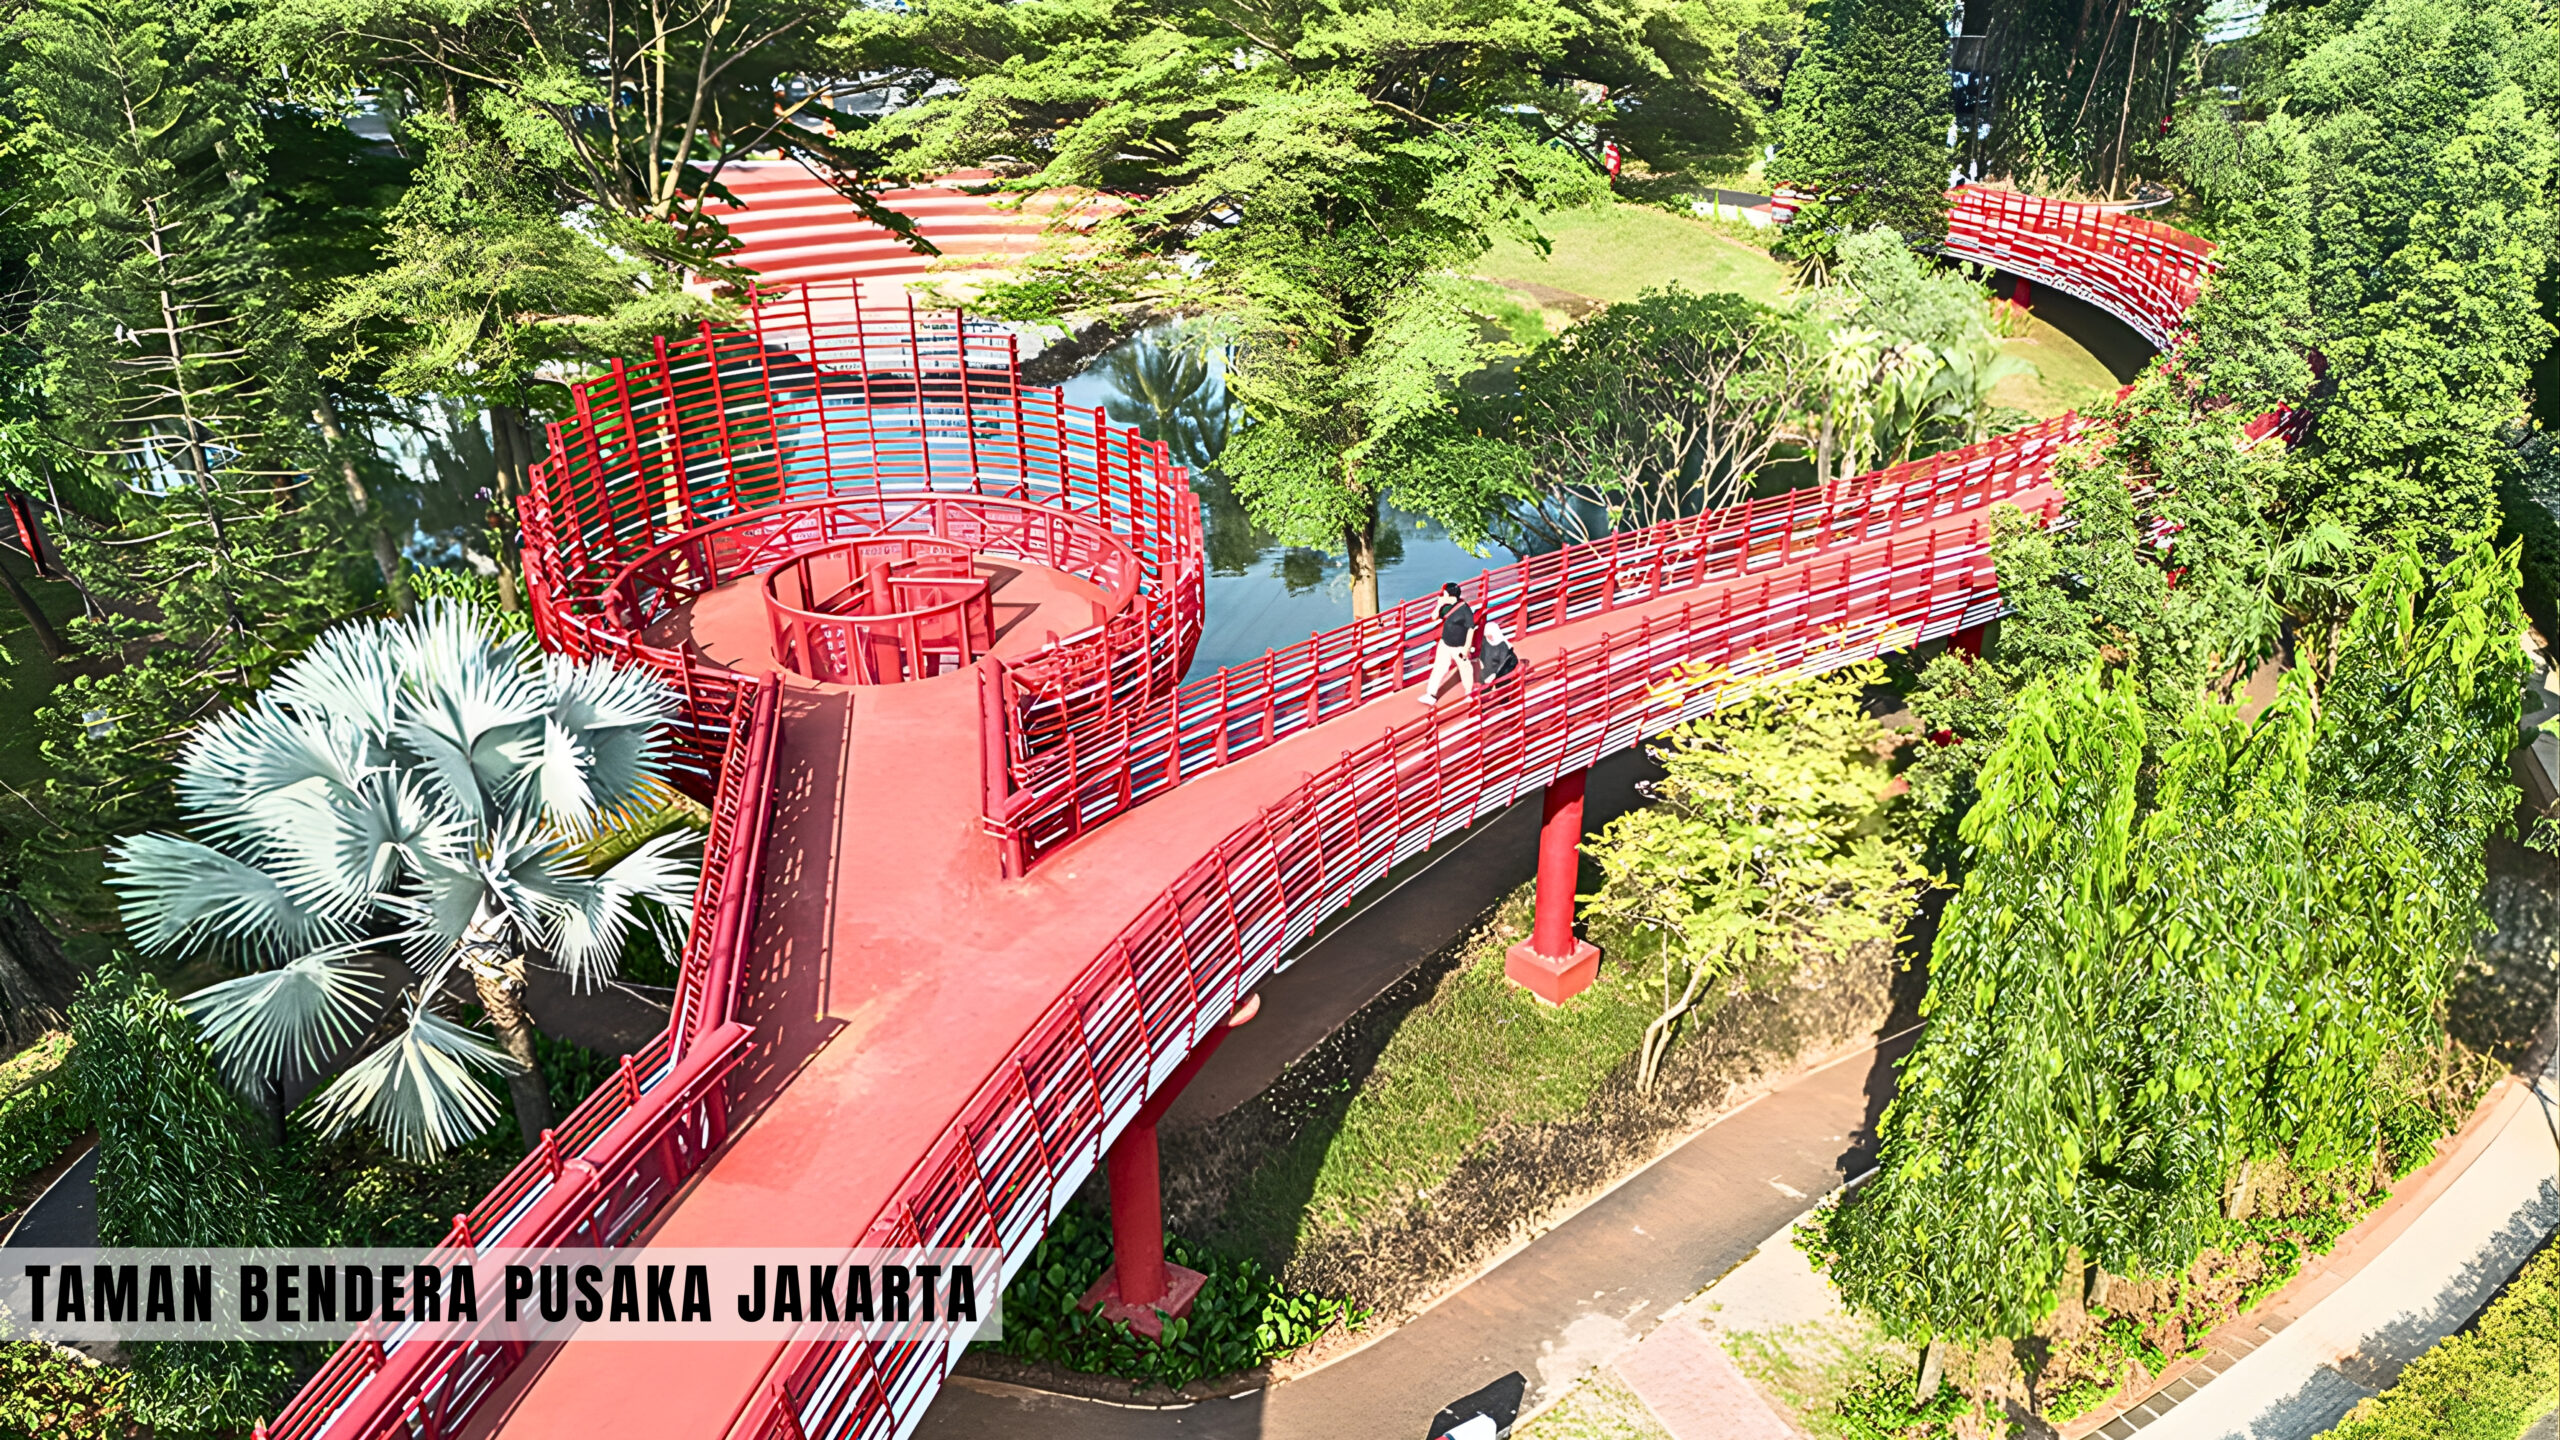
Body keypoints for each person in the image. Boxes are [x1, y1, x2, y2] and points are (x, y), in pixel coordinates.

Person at [1422, 582, 1475, 705]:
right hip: (1445, 643)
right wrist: (1439, 604)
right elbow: (1434, 616)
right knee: (1439, 668)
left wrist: (1467, 647)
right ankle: (1431, 694)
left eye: (1444, 593)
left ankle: (1469, 693)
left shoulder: (1464, 609)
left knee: (1465, 669)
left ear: (1449, 595)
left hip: (1460, 646)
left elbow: (1470, 628)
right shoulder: (1446, 607)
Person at [1479, 615, 1518, 684]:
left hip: (1501, 670)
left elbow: (1502, 663)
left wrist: (1494, 674)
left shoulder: (1503, 646)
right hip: (1489, 670)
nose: (1490, 638)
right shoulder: (1485, 642)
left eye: (1491, 635)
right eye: (1488, 636)